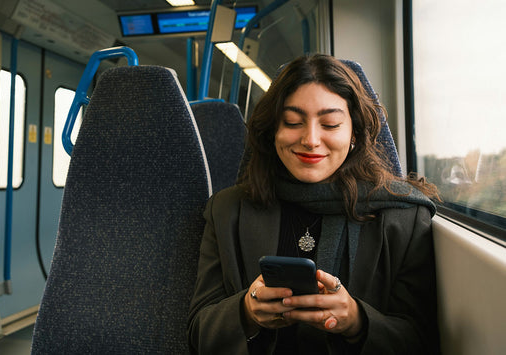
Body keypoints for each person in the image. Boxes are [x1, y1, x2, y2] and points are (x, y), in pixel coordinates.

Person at [187, 54, 441, 354]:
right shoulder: (227, 211)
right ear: (272, 132)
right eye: (293, 122)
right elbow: (198, 336)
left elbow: (422, 340)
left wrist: (356, 321)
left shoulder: (404, 216)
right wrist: (246, 312)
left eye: (330, 124)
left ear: (354, 134)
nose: (310, 139)